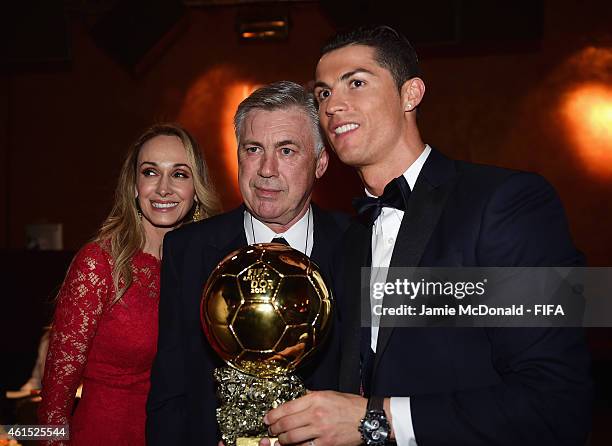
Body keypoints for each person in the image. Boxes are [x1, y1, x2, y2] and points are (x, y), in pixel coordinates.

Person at [264, 26, 592, 446]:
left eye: (357, 83)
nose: (333, 106)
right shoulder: (349, 240)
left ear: (410, 94)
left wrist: (377, 422)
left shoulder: (508, 202)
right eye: (324, 93)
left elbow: (558, 402)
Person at [146, 81, 349, 445]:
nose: (266, 169)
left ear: (320, 163)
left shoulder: (357, 245)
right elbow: (170, 391)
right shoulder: (187, 250)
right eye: (254, 149)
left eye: (287, 151)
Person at [38, 123, 220, 445]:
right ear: (134, 186)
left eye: (179, 174)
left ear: (196, 188)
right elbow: (56, 393)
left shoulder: (209, 268)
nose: (164, 188)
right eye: (150, 172)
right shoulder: (99, 264)